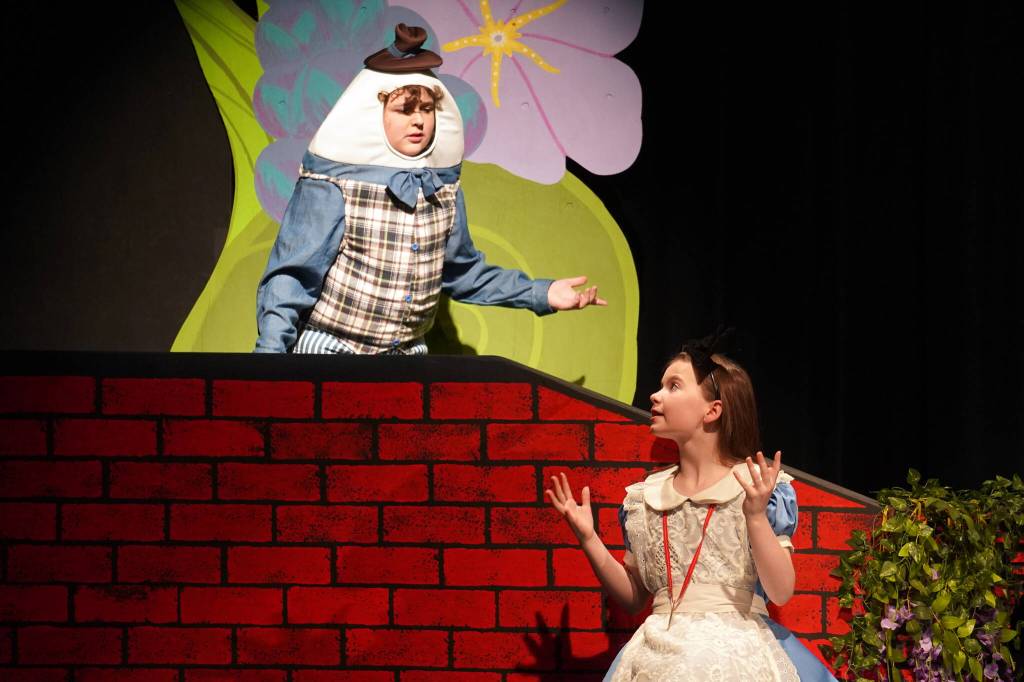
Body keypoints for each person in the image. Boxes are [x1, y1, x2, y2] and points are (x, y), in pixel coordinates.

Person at [254, 23, 605, 355]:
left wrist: (542, 293)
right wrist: (269, 359)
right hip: (332, 348)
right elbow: (293, 276)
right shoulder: (333, 185)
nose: (419, 120)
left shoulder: (442, 191)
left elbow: (464, 273)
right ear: (375, 116)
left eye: (426, 109)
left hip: (405, 355)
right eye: (404, 110)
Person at [546, 332, 837, 681]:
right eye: (660, 385)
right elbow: (634, 598)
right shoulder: (643, 499)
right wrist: (589, 538)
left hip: (736, 648)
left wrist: (756, 516)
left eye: (673, 386)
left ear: (712, 410)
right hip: (658, 648)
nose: (654, 395)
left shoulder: (757, 487)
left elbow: (781, 591)